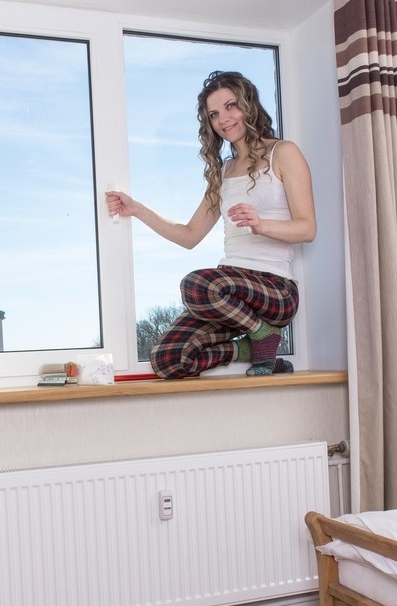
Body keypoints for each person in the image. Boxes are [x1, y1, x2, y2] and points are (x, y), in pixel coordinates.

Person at [105, 70, 316, 379]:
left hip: (275, 289)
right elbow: (189, 236)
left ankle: (263, 334)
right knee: (168, 359)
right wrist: (137, 209)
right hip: (228, 294)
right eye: (214, 114)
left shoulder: (283, 153)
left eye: (231, 106)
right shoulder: (224, 171)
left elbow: (307, 228)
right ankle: (258, 343)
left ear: (249, 106)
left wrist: (261, 224)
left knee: (196, 284)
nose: (224, 119)